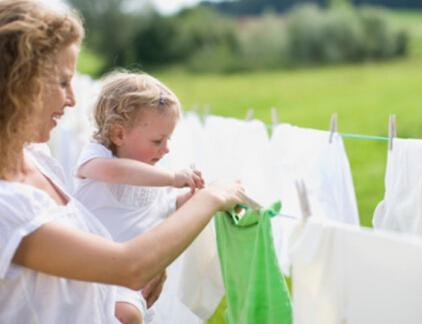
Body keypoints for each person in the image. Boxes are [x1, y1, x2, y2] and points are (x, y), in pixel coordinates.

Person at [0, 1, 247, 323]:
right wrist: (214, 196)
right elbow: (128, 266)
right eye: (62, 82)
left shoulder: (37, 159)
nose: (72, 99)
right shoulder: (6, 204)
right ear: (17, 84)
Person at [73, 71, 205, 322]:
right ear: (118, 134)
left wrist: (188, 200)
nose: (166, 149)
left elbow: (163, 208)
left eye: (168, 139)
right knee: (127, 315)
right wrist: (171, 178)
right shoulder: (98, 158)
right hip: (88, 271)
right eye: (158, 140)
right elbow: (114, 173)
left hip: (128, 281)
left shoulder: (150, 177)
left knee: (130, 314)